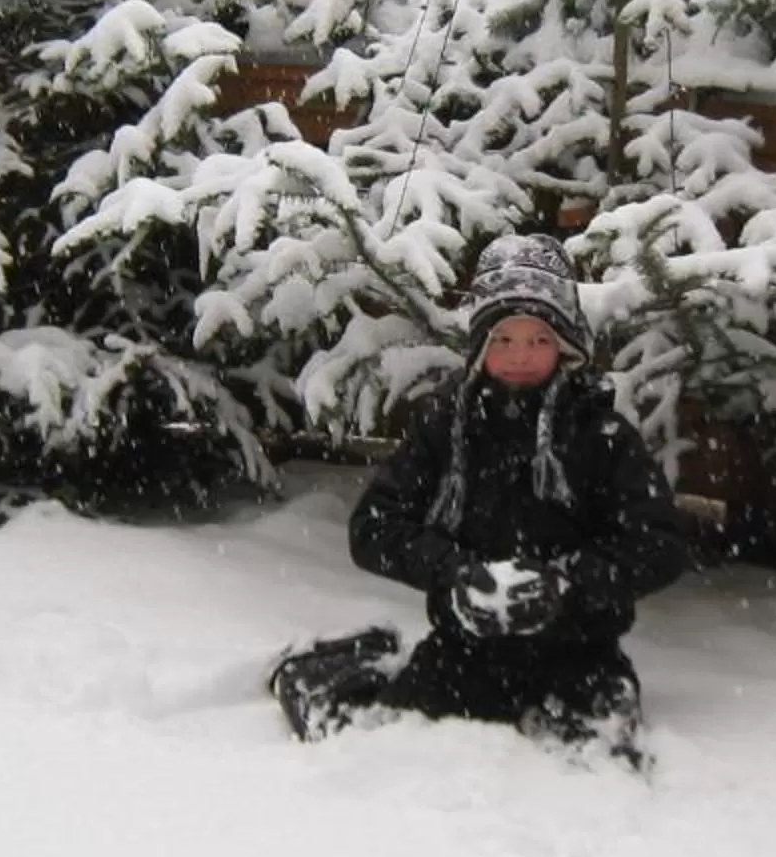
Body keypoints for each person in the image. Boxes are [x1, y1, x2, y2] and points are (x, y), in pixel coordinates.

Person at [271, 233, 688, 761]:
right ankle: (355, 660)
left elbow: (661, 545)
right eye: (503, 340)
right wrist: (455, 573)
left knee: (602, 768)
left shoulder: (601, 435)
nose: (520, 357)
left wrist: (565, 585)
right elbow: (373, 527)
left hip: (581, 655)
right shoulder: (443, 427)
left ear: (565, 345)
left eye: (538, 340)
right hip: (464, 651)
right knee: (384, 751)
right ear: (481, 344)